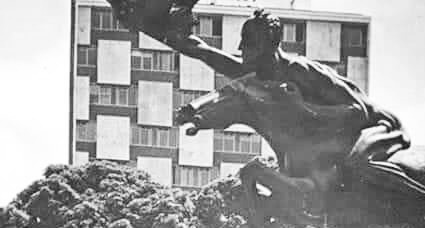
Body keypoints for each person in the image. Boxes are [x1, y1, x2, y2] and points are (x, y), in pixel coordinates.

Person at [166, 8, 410, 162]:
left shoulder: (301, 70)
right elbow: (204, 52)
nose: (241, 49)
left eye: (248, 43)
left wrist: (302, 107)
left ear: (271, 45)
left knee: (352, 165)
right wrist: (165, 29)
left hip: (379, 127)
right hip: (337, 135)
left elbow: (358, 112)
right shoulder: (254, 68)